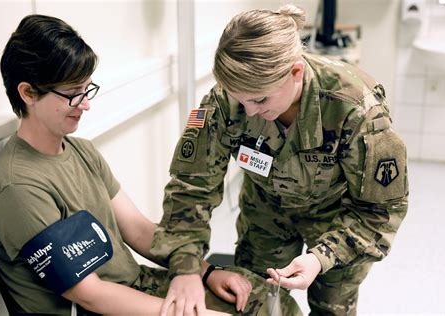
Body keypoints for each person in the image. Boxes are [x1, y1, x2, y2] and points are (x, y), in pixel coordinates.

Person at [0, 14, 302, 315]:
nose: (86, 104)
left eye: (87, 89)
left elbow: (138, 229)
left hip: (135, 284)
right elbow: (91, 294)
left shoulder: (82, 151)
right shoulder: (16, 187)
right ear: (28, 93)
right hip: (97, 308)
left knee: (273, 303)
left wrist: (205, 272)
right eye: (73, 95)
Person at [151, 3, 409, 316]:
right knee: (255, 302)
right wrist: (187, 268)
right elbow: (190, 190)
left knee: (333, 309)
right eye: (241, 100)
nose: (249, 112)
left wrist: (320, 257)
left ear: (296, 72)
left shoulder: (356, 109)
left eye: (260, 100)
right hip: (265, 213)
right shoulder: (222, 102)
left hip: (339, 220)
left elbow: (379, 211)